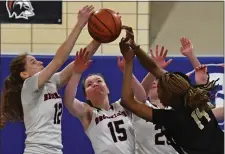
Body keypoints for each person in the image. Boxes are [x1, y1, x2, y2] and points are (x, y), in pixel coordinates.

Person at [0, 5, 100, 154]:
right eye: (33, 62)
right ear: (24, 74)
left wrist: (100, 37)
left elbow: (80, 60)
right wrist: (79, 24)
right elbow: (59, 60)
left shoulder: (52, 81)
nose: (40, 62)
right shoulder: (29, 86)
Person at [119, 26, 224, 154]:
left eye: (159, 88)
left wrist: (129, 61)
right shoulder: (193, 95)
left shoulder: (174, 118)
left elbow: (127, 101)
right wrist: (134, 46)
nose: (156, 86)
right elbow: (154, 68)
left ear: (167, 96)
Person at [63, 47, 146, 154]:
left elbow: (141, 98)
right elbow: (68, 101)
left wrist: (127, 72)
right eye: (89, 84)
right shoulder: (89, 113)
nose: (95, 84)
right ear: (86, 96)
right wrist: (77, 73)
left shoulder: (122, 105)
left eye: (99, 81)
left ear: (107, 89)